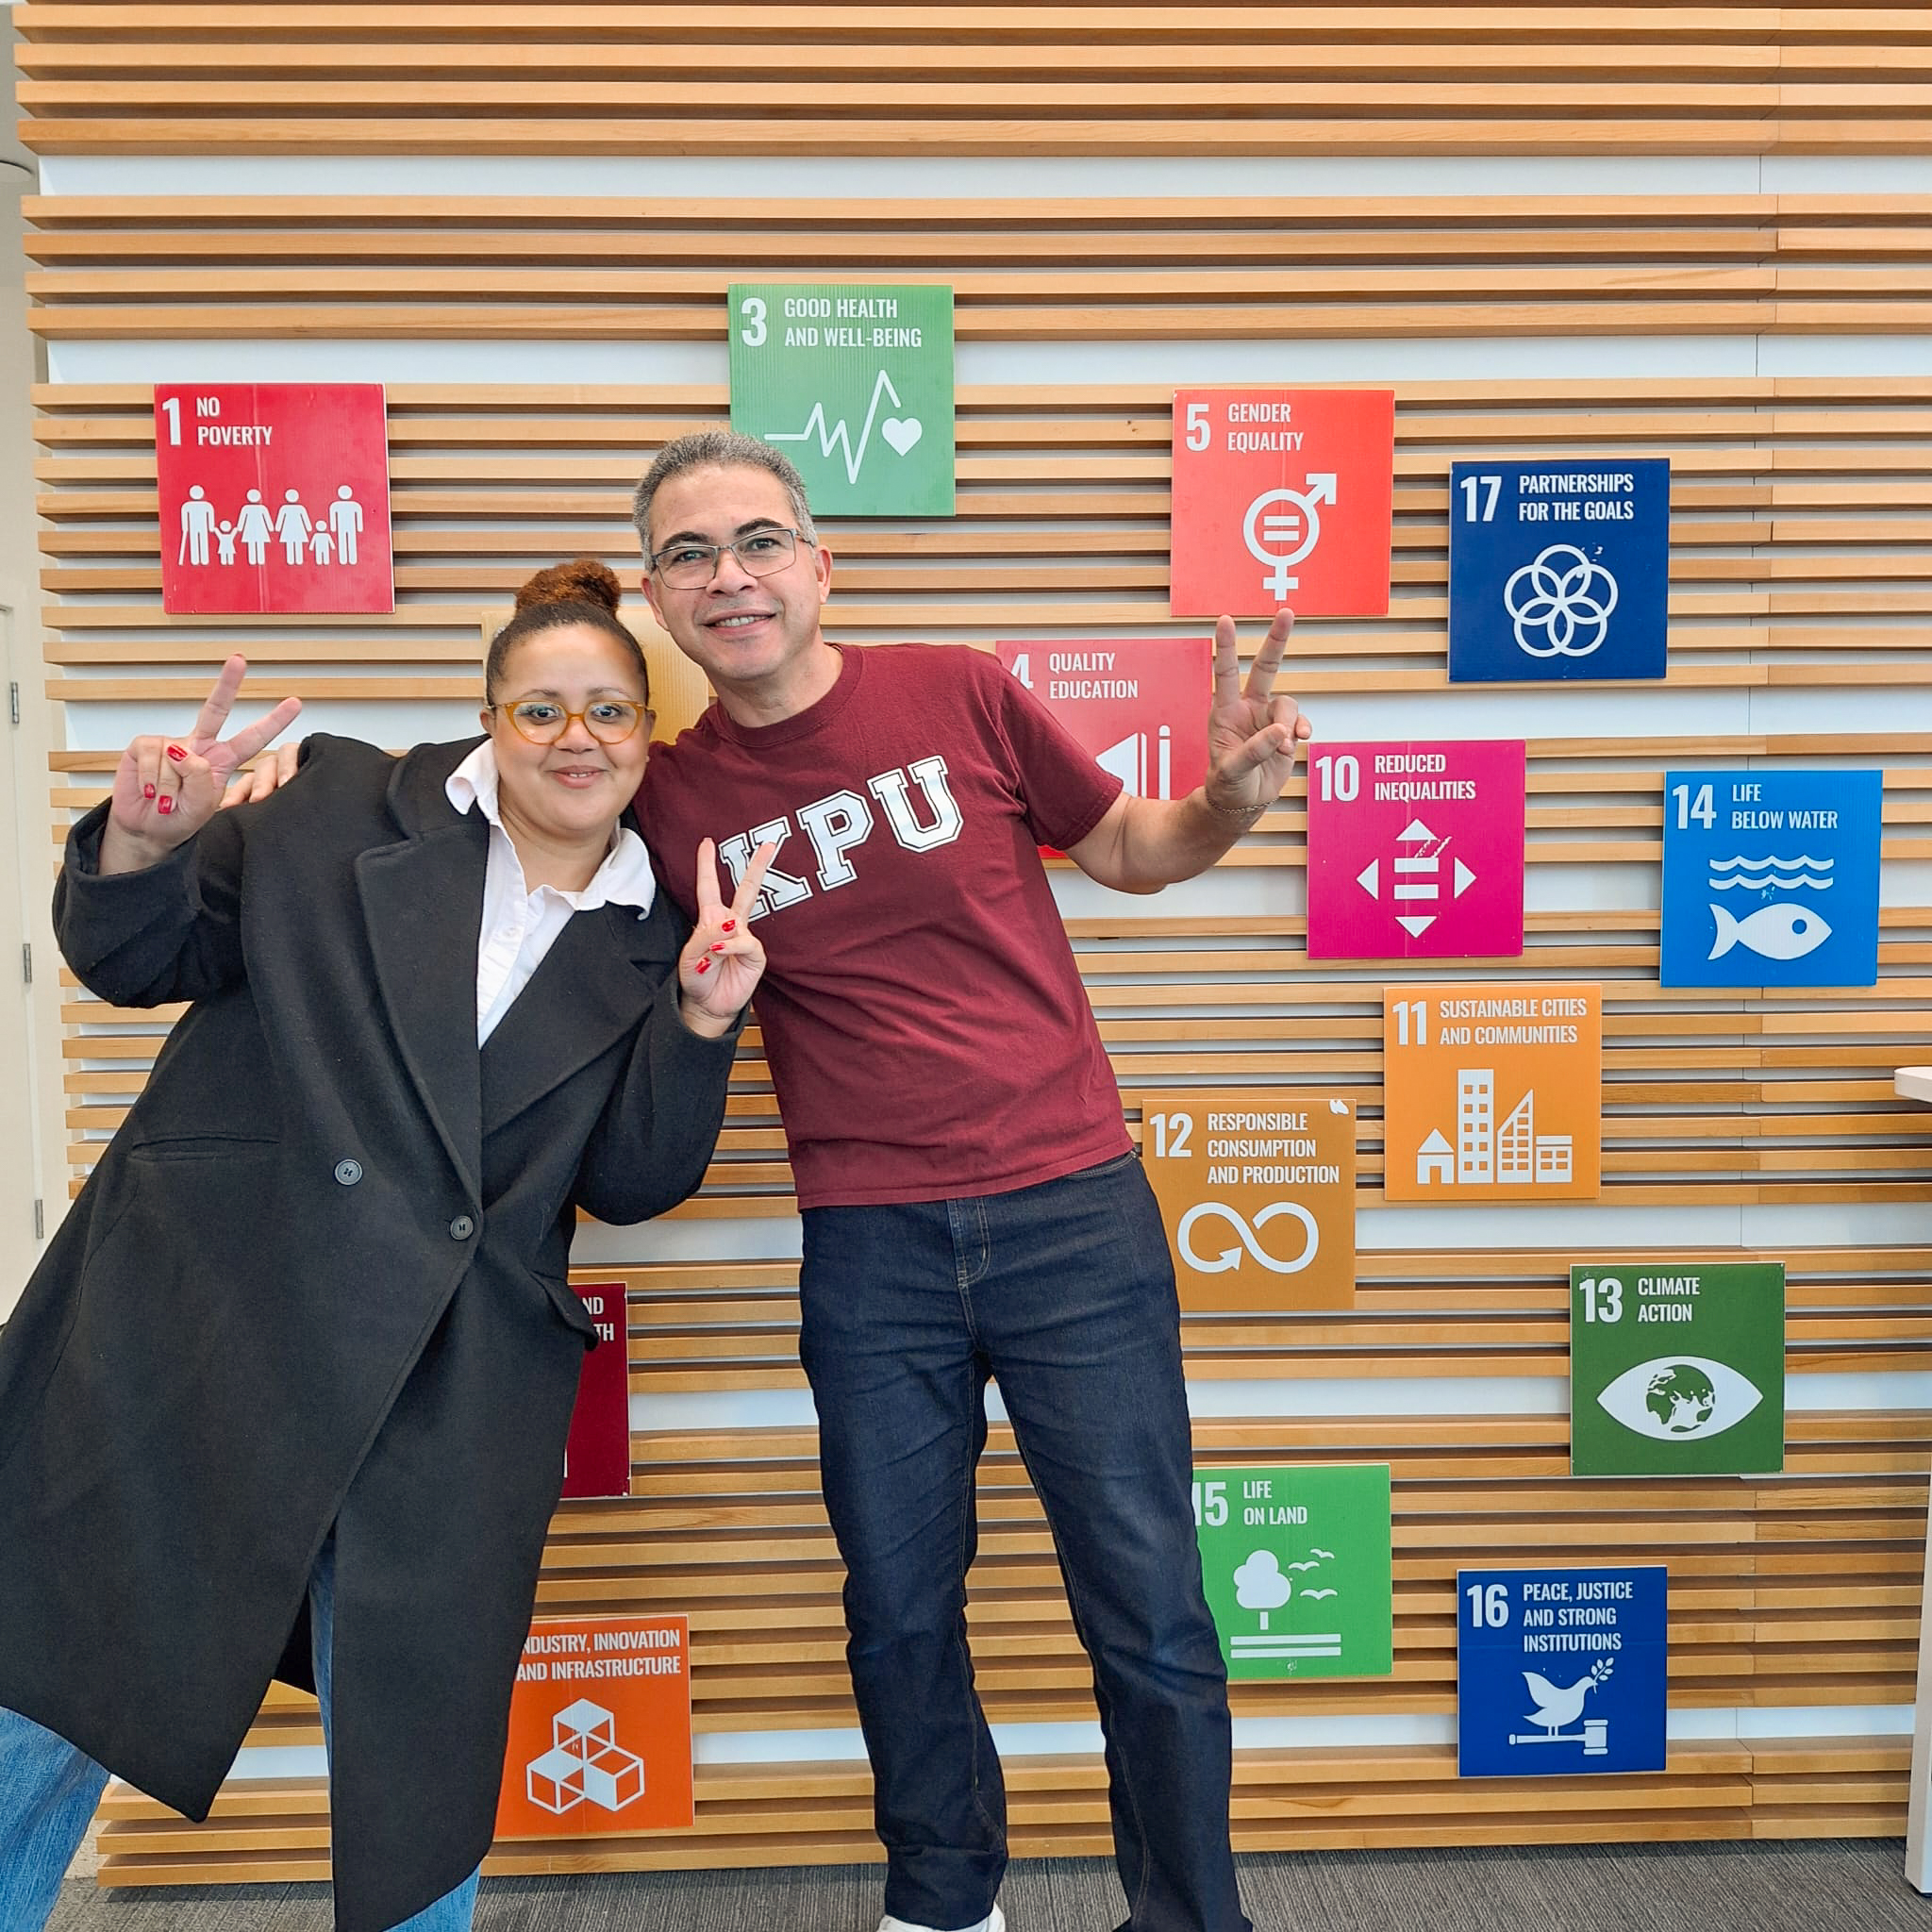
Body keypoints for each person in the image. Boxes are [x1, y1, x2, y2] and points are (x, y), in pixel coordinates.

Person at [0, 559, 772, 1932]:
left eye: (608, 711)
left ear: (647, 734)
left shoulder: (662, 929)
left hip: (450, 1376)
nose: (577, 738)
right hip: (211, 1313)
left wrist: (704, 1021)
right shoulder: (333, 803)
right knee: (51, 1682)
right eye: (540, 710)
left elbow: (631, 1179)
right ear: (489, 719)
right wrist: (141, 845)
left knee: (418, 1767)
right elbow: (135, 962)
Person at [629, 431, 1310, 1932]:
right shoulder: (663, 799)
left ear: (820, 564)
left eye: (757, 541)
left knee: (1149, 1603)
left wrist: (1227, 802)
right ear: (659, 600)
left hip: (1074, 1214)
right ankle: (943, 1902)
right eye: (689, 555)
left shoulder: (959, 691)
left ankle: (1192, 1916)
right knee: (897, 1607)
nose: (728, 576)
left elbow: (1129, 848)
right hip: (867, 1243)